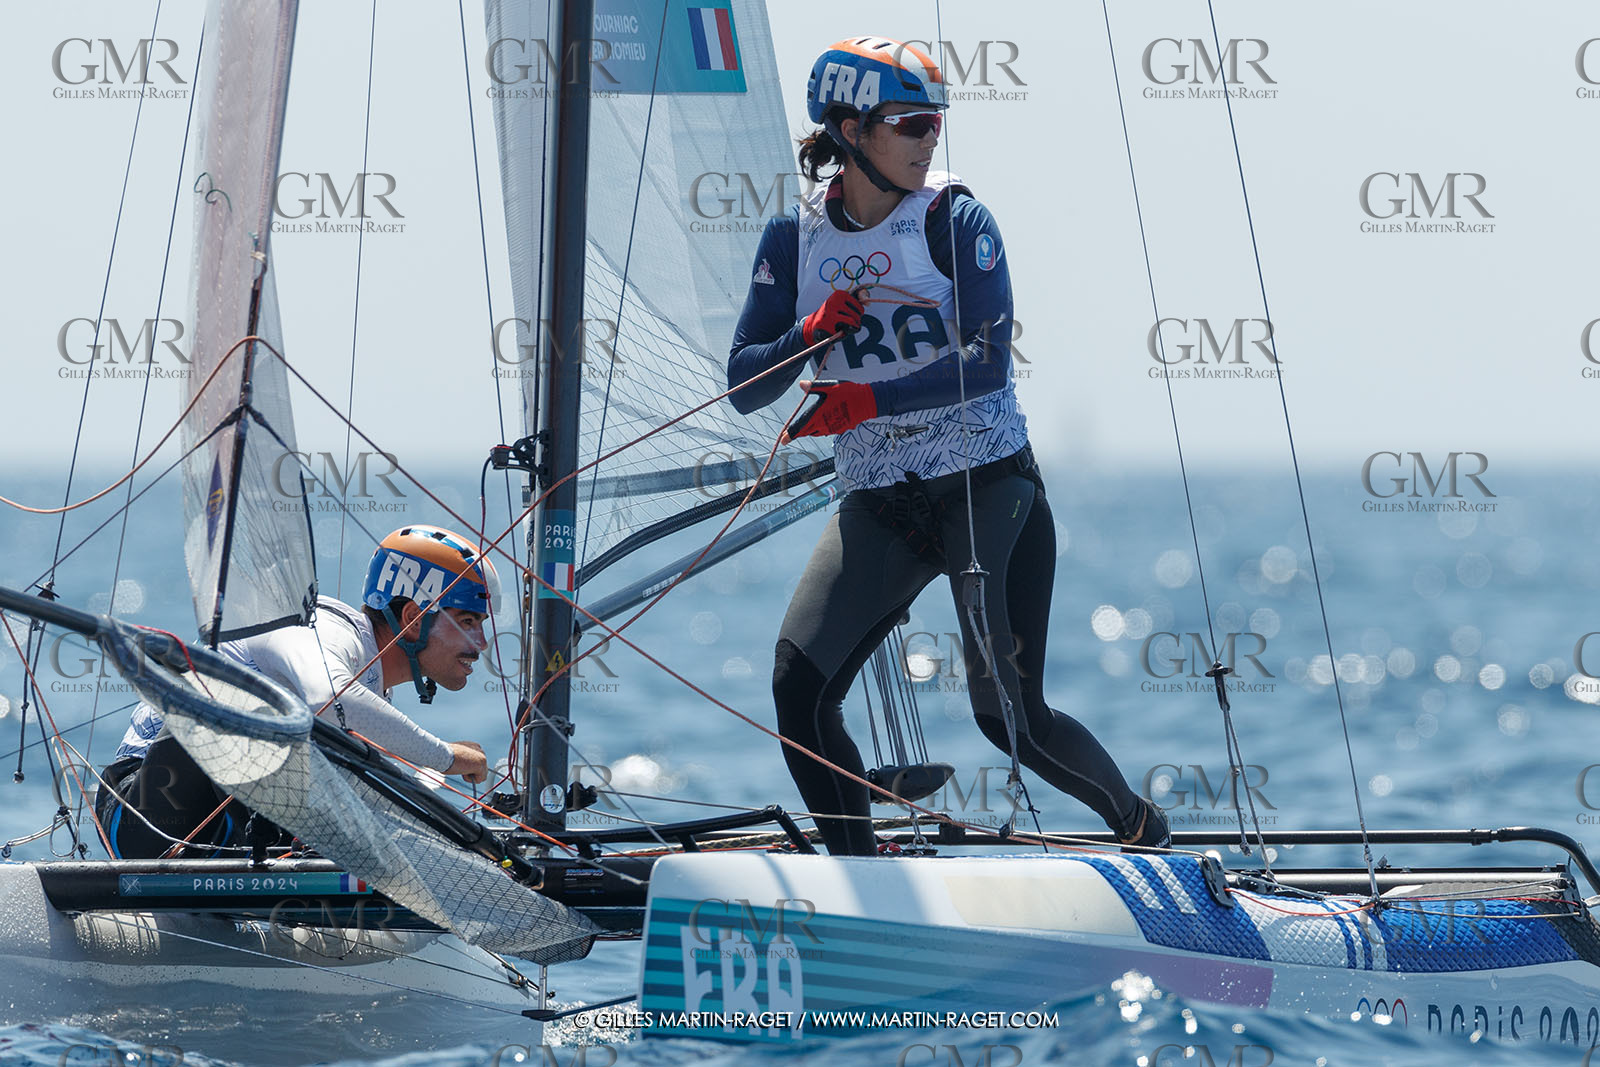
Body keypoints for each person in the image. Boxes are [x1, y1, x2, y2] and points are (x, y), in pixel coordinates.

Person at [726, 37, 1167, 856]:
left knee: (1008, 718)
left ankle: (1143, 829)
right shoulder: (794, 240)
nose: (933, 140)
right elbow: (745, 383)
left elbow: (987, 361)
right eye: (915, 123)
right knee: (799, 690)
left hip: (986, 486)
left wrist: (867, 394)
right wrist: (807, 334)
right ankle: (859, 881)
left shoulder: (955, 219)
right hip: (882, 499)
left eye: (937, 124)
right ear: (852, 131)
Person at [95, 524, 497, 858]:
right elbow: (328, 699)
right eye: (467, 621)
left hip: (224, 833)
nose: (480, 642)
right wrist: (445, 758)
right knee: (267, 718)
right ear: (413, 618)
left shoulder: (367, 683)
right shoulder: (319, 630)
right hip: (142, 816)